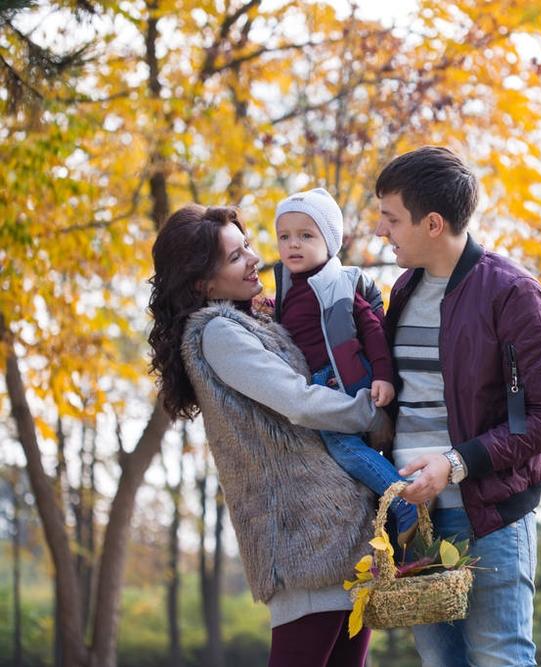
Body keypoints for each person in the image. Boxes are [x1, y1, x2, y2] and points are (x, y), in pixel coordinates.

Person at [148, 204, 390, 666]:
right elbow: (298, 401)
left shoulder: (255, 321)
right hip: (304, 540)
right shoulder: (218, 333)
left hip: (339, 532)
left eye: (248, 247)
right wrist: (370, 414)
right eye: (236, 256)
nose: (255, 258)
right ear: (202, 282)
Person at [374, 146, 541, 666]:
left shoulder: (514, 294)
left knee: (499, 658)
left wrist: (454, 463)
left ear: (433, 223)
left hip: (489, 518)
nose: (381, 231)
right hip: (416, 520)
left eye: (391, 219)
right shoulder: (404, 289)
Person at [272, 187, 417, 542]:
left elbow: (373, 332)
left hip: (344, 377)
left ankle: (404, 503)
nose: (293, 245)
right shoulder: (291, 285)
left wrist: (383, 375)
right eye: (285, 237)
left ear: (329, 243)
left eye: (306, 236)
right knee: (344, 453)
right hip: (320, 381)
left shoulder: (339, 283)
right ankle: (384, 515)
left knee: (345, 448)